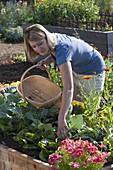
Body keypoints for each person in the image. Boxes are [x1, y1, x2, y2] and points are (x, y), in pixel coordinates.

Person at [24, 24, 106, 138]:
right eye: (34, 46)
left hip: (93, 69)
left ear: (46, 38)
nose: (38, 49)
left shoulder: (63, 49)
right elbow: (55, 52)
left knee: (90, 109)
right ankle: (74, 134)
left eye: (40, 44)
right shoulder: (53, 40)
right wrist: (47, 61)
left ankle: (98, 135)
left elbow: (68, 88)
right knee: (76, 104)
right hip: (78, 66)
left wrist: (61, 117)